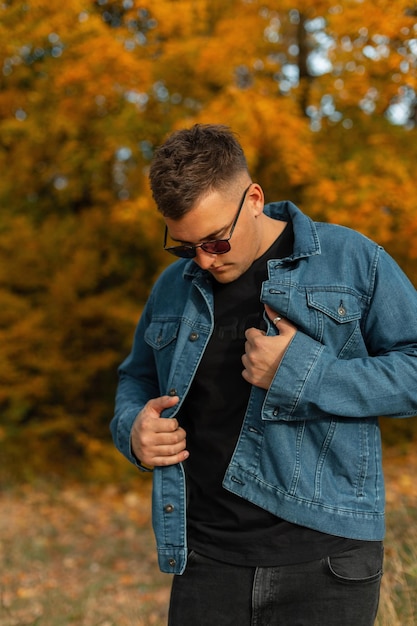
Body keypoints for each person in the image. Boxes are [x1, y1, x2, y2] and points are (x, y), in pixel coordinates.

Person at [111, 123, 417, 625]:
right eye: (184, 246)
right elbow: (136, 379)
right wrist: (133, 429)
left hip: (326, 559)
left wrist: (304, 374)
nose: (204, 261)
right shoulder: (172, 287)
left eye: (216, 241)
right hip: (205, 559)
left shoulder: (352, 261)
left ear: (253, 198)